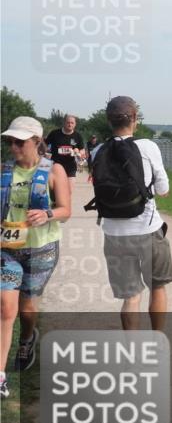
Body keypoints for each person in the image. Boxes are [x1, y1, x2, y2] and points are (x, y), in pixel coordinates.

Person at [0, 117, 72, 400]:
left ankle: (28, 338)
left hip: (41, 249)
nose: (14, 147)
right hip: (6, 250)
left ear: (36, 142)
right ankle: (1, 377)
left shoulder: (54, 170)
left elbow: (66, 210)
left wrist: (47, 214)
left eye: (20, 142)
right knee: (6, 308)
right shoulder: (3, 170)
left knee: (27, 309)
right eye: (10, 142)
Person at [90, 97, 172, 331]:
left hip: (114, 232)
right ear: (135, 118)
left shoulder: (98, 151)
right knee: (157, 287)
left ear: (109, 121)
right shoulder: (147, 147)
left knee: (131, 296)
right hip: (147, 229)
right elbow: (163, 190)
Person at [44, 115, 84, 180]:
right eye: (68, 122)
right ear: (64, 123)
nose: (70, 124)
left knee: (69, 189)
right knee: (55, 189)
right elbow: (45, 145)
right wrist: (44, 154)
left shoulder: (78, 136)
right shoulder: (55, 133)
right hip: (55, 165)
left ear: (75, 124)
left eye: (72, 123)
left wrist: (79, 152)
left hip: (70, 167)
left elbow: (82, 149)